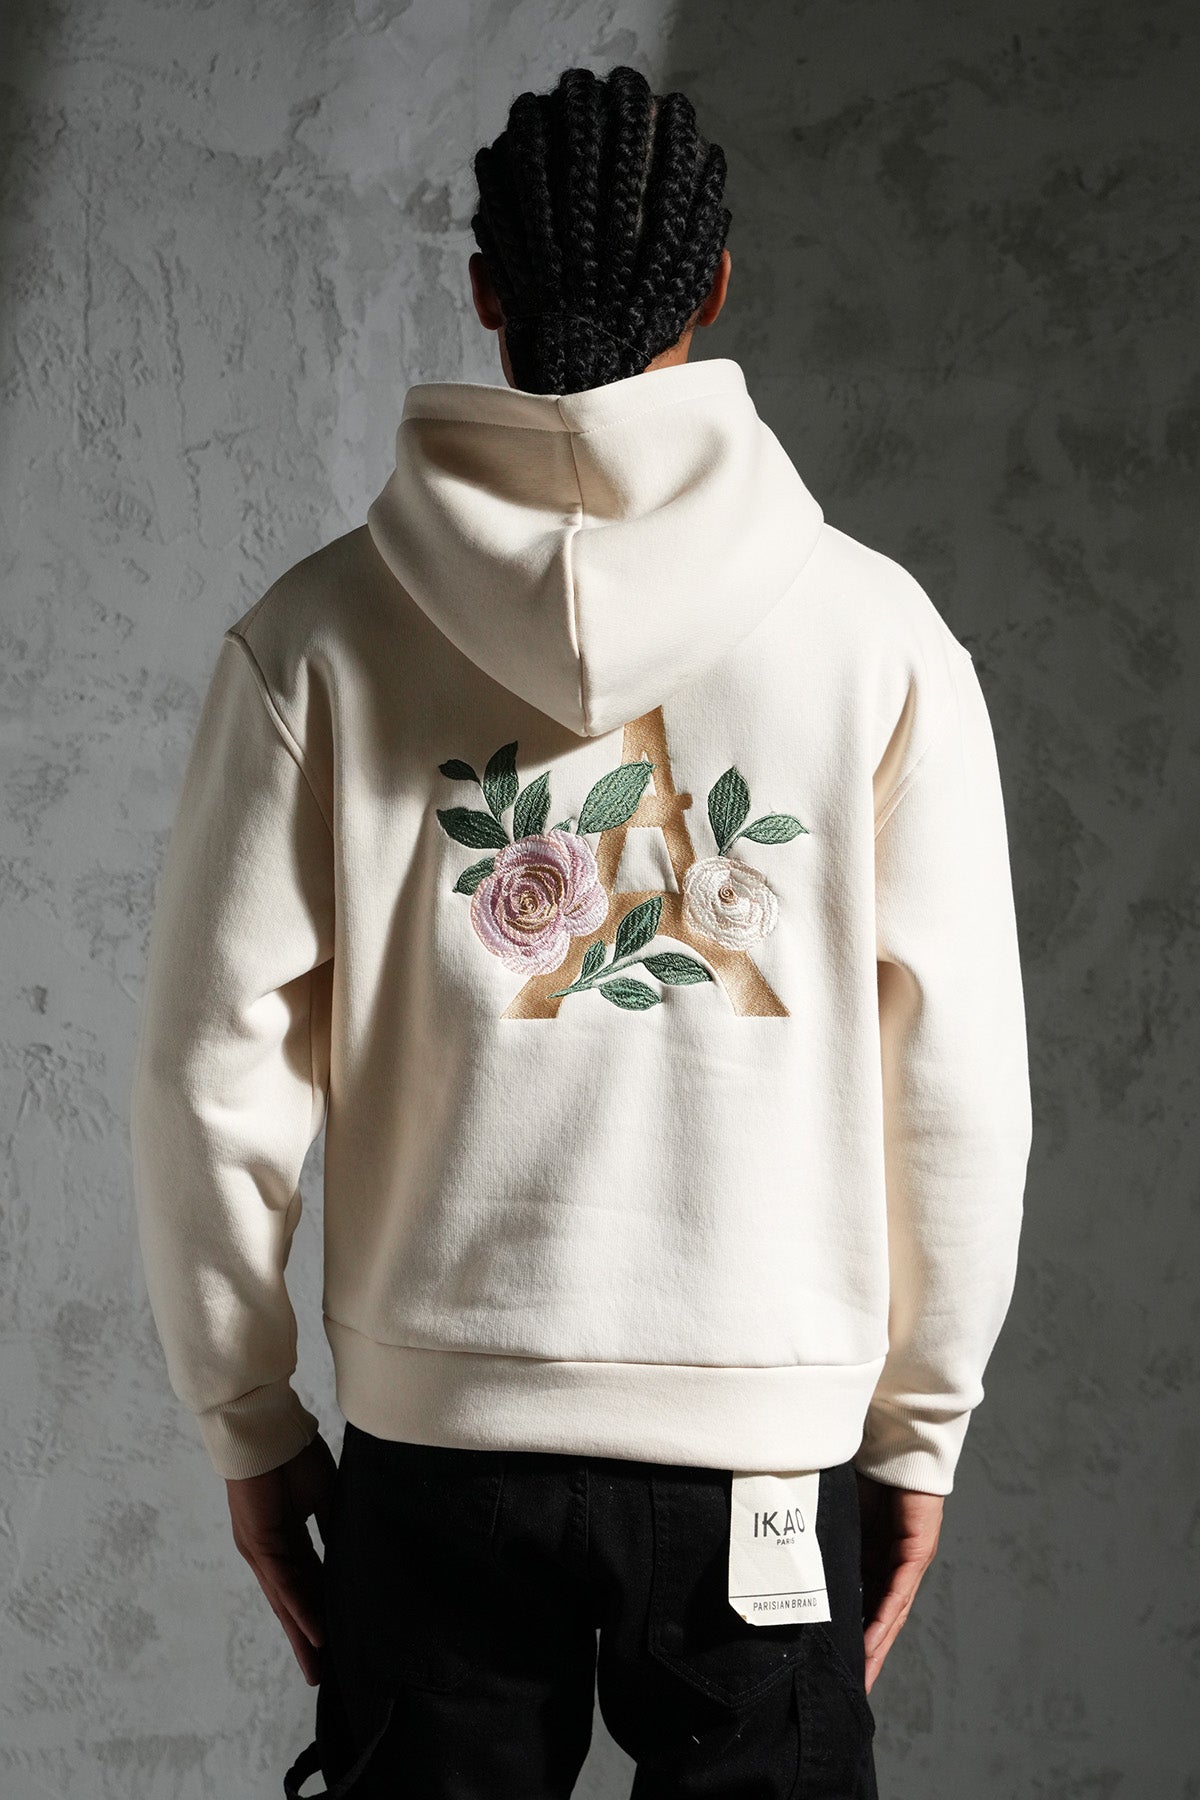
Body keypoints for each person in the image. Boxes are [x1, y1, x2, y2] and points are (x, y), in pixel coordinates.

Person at [129, 63, 1033, 1799]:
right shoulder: (883, 641)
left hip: (439, 1452)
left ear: (483, 291)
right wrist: (919, 1428)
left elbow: (202, 1071)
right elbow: (964, 1086)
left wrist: (246, 1417)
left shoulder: (316, 636)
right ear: (717, 288)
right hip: (765, 1460)